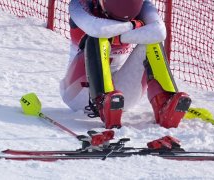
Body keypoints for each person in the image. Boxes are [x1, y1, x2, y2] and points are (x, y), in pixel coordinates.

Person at [60, 0, 191, 129]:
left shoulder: (144, 5)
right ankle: (102, 100)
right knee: (98, 38)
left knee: (152, 41)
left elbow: (159, 32)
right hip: (80, 93)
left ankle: (164, 102)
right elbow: (97, 29)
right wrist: (133, 26)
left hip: (120, 99)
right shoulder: (79, 4)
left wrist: (118, 35)